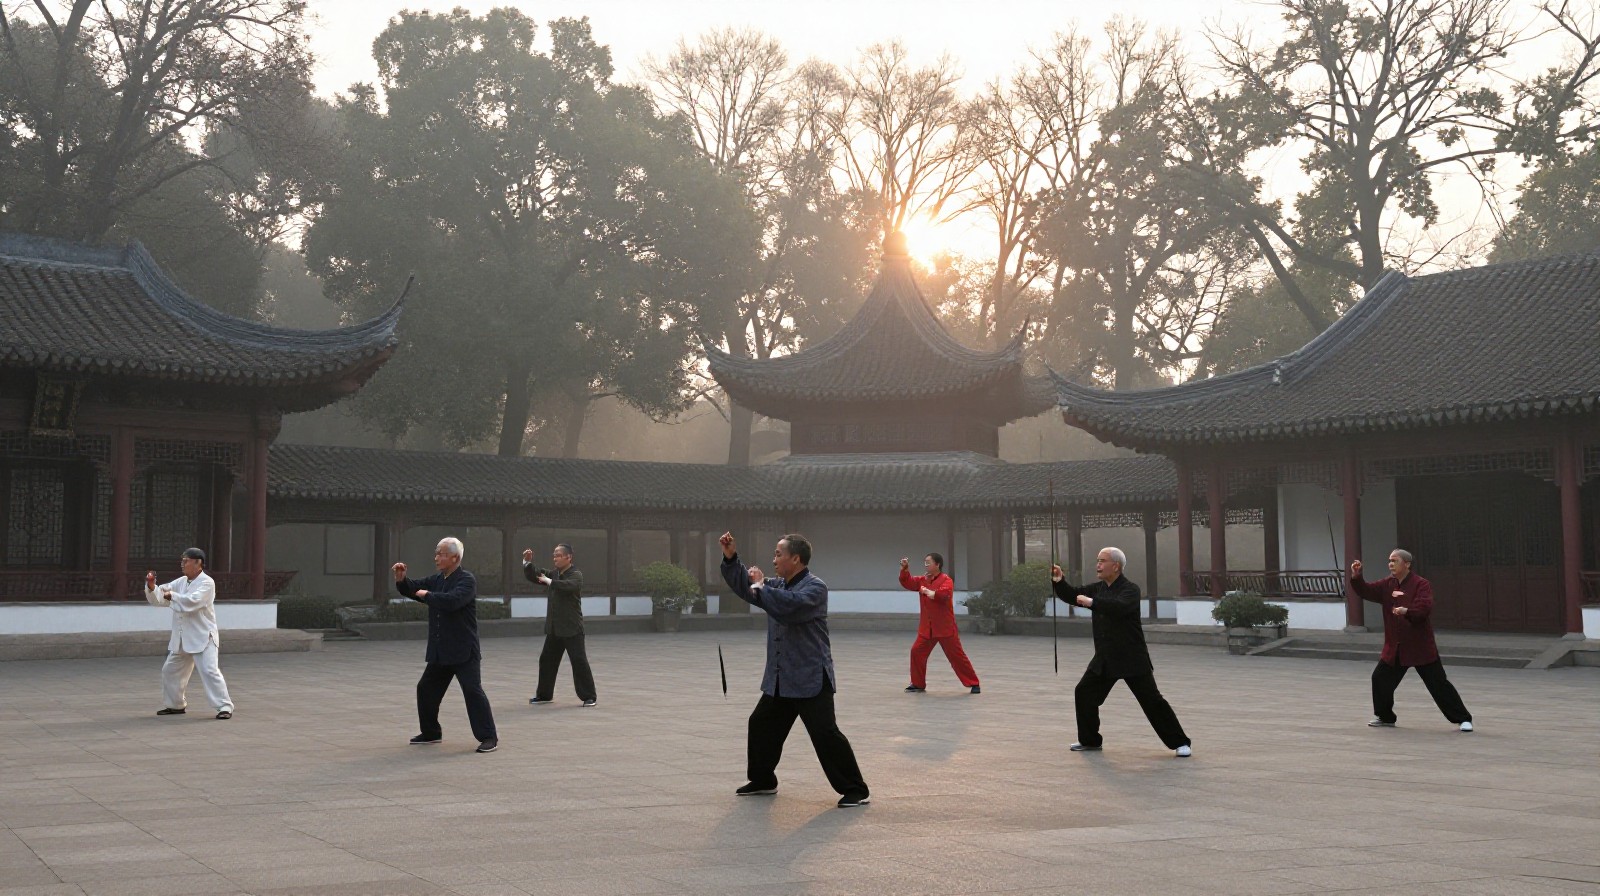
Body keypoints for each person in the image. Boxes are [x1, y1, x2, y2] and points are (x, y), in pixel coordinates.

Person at [720, 531, 871, 808]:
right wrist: (732, 559)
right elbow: (749, 589)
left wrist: (761, 587)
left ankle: (855, 789)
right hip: (781, 677)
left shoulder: (814, 588)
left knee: (826, 734)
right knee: (761, 724)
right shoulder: (777, 585)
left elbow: (788, 608)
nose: (774, 559)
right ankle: (764, 780)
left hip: (811, 677)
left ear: (796, 559)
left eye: (779, 554)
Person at [1050, 548, 1191, 758]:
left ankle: (1180, 742)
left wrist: (1092, 603)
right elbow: (1073, 595)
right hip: (1105, 658)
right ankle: (1090, 741)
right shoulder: (1097, 588)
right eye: (1097, 561)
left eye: (1102, 561)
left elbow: (1119, 607)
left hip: (1132, 658)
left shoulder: (1130, 589)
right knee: (1084, 693)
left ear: (1115, 566)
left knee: (1153, 702)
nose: (1097, 565)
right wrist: (1060, 581)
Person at [394, 537, 498, 753]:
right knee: (425, 689)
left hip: (463, 650)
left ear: (455, 558)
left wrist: (428, 596)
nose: (436, 558)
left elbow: (452, 601)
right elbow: (413, 588)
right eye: (436, 553)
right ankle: (431, 733)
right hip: (441, 651)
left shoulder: (466, 580)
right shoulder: (438, 578)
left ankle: (489, 737)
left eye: (441, 554)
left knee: (472, 691)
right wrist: (402, 579)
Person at [1351, 550, 1474, 732]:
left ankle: (1463, 719)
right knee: (1380, 679)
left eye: (1395, 561)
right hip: (1396, 647)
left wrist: (1406, 611)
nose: (1390, 564)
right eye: (1389, 561)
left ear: (1407, 564)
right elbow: (1366, 591)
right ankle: (1385, 717)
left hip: (1420, 647)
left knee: (1439, 684)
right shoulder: (1387, 584)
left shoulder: (1421, 584)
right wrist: (1357, 576)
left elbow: (1424, 608)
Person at [146, 547, 233, 720]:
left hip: (203, 636)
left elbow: (193, 601)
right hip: (182, 638)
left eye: (186, 560)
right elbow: (162, 595)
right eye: (182, 560)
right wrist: (152, 587)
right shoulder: (181, 581)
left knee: (209, 671)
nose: (182, 564)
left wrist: (172, 596)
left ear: (198, 563)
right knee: (170, 670)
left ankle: (224, 706)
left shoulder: (207, 582)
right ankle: (175, 705)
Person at [524, 543, 596, 707]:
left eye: (558, 555)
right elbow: (536, 575)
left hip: (572, 628)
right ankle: (544, 695)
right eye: (554, 555)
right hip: (555, 629)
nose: (555, 558)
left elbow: (568, 586)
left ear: (568, 557)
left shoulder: (576, 575)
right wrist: (527, 563)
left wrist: (550, 581)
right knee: (547, 660)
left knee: (579, 661)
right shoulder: (554, 574)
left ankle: (589, 696)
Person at [898, 553, 980, 694]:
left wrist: (929, 592)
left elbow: (944, 595)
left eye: (928, 563)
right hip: (927, 628)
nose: (926, 565)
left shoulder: (946, 580)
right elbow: (908, 582)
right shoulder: (922, 580)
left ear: (937, 565)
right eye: (925, 562)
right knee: (916, 652)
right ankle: (917, 683)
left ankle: (973, 683)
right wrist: (904, 569)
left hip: (944, 628)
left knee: (956, 656)